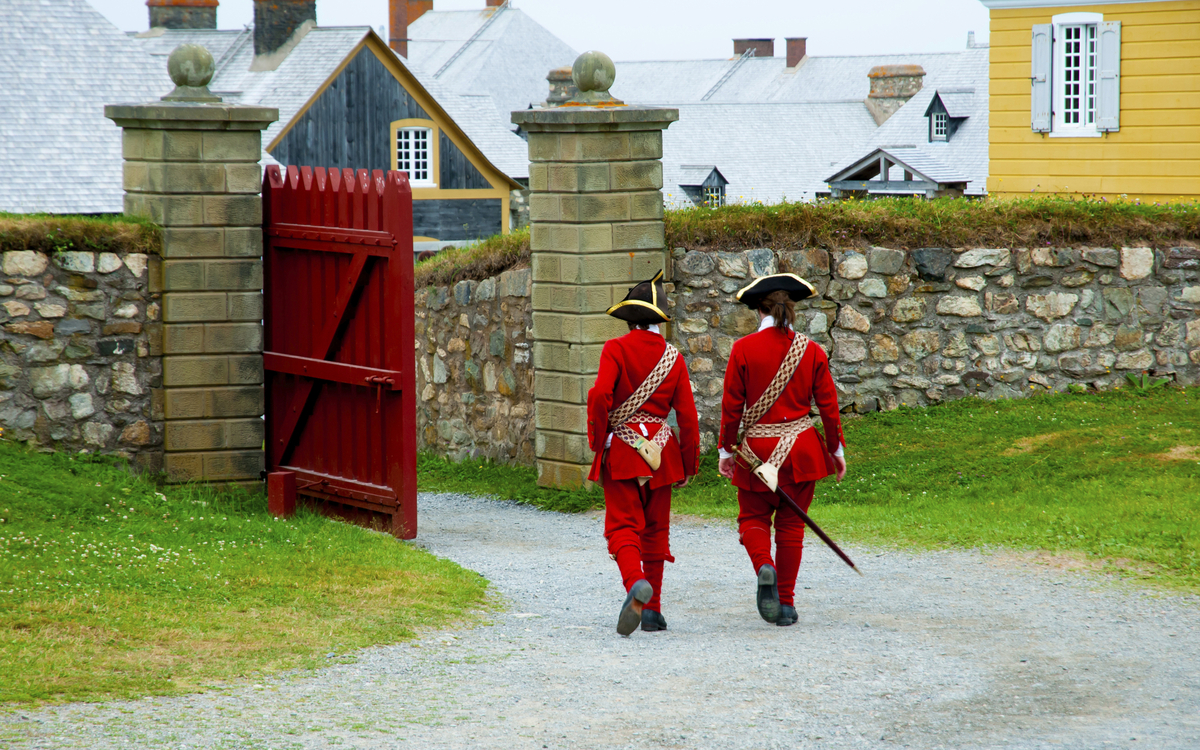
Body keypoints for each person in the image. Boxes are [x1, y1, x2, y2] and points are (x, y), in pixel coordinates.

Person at [717, 273, 847, 626]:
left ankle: (764, 566)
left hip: (756, 451)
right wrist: (836, 451)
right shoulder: (813, 350)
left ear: (759, 310)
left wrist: (726, 453)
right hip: (801, 450)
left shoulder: (743, 349)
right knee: (791, 527)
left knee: (752, 519)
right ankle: (786, 604)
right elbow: (829, 407)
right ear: (791, 309)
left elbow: (731, 408)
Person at [587, 270, 700, 636]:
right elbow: (687, 414)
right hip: (663, 454)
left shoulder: (615, 349)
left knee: (623, 526)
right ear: (658, 320)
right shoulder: (674, 357)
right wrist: (689, 462)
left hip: (622, 450)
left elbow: (599, 395)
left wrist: (598, 439)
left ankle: (636, 583)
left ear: (630, 320)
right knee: (655, 531)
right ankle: (652, 613)